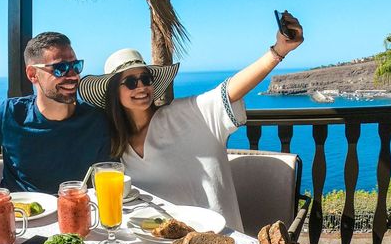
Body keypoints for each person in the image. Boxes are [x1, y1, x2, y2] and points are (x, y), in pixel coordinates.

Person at [78, 13, 304, 231]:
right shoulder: (119, 145)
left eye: (146, 79)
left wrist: (278, 51)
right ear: (114, 93)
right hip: (160, 243)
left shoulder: (186, 114)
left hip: (216, 243)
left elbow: (229, 91)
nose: (141, 87)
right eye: (130, 82)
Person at [0, 32, 112, 194]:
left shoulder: (95, 120)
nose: (73, 75)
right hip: (19, 217)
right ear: (33, 74)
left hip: (76, 212)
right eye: (60, 68)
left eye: (76, 66)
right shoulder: (9, 114)